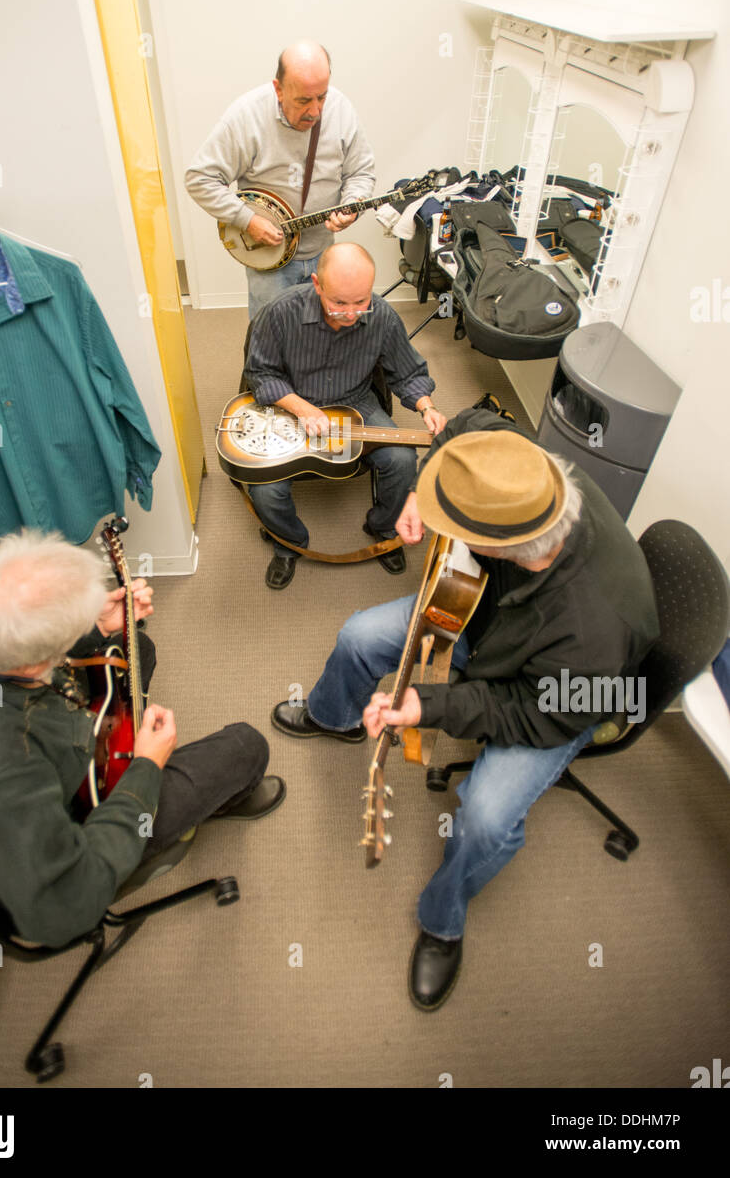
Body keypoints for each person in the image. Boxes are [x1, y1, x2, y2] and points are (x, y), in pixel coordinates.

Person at [271, 407, 660, 1009]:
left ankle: (442, 921)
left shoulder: (594, 634)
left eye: (457, 525)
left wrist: (424, 705)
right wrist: (422, 499)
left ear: (499, 545)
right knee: (357, 635)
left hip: (562, 700)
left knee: (483, 817)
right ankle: (333, 715)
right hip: (481, 611)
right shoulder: (527, 477)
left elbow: (527, 713)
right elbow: (471, 424)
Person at [0, 529, 284, 948]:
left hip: (39, 749)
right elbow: (65, 908)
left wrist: (94, 624)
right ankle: (223, 797)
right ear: (31, 664)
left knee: (134, 647)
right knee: (246, 748)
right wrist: (145, 768)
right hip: (66, 833)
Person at [243, 242, 447, 590]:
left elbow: (407, 371)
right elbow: (260, 374)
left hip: (356, 402)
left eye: (360, 301)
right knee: (265, 489)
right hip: (292, 405)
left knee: (401, 460)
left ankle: (383, 528)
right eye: (339, 302)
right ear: (316, 284)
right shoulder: (279, 312)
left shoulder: (380, 315)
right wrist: (302, 408)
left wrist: (425, 405)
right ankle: (288, 543)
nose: (351, 314)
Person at [185, 40, 375, 319]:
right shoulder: (246, 116)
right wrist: (246, 219)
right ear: (278, 89)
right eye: (303, 100)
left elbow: (360, 172)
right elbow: (200, 178)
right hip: (270, 262)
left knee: (322, 338)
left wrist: (352, 205)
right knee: (270, 339)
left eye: (321, 97)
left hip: (323, 253)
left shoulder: (341, 109)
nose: (315, 111)